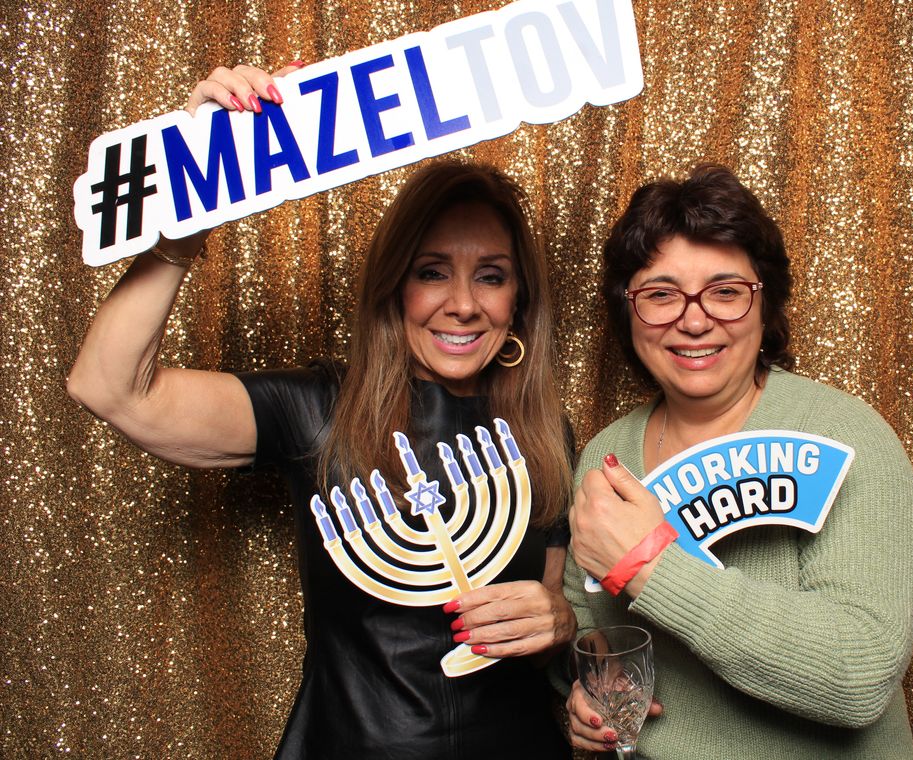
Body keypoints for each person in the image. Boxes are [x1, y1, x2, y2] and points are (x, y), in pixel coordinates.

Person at [68, 65, 575, 759]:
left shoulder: (540, 432)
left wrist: (560, 617)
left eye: (491, 275)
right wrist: (182, 216)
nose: (463, 303)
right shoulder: (317, 409)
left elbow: (551, 608)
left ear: (519, 299)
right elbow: (109, 387)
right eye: (432, 272)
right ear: (396, 287)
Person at [562, 165, 913, 758]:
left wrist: (653, 567)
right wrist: (586, 698)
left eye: (726, 291)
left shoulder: (846, 436)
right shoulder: (606, 460)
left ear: (766, 305)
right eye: (660, 294)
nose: (695, 318)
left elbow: (861, 678)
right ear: (628, 313)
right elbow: (593, 637)